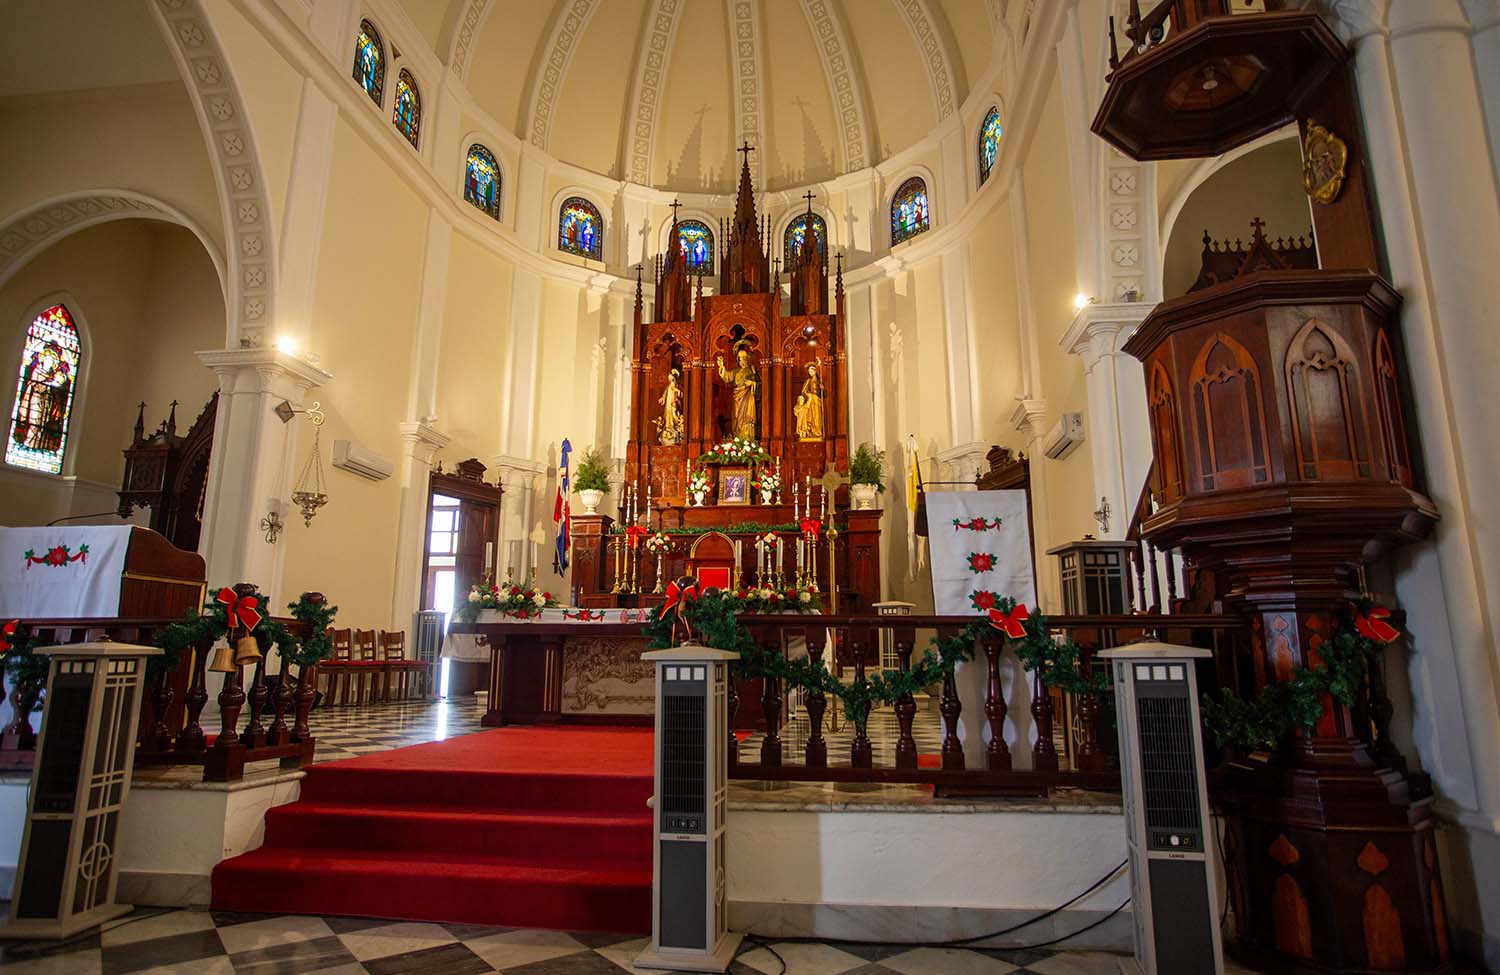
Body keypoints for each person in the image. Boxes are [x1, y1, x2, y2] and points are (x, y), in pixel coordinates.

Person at [716, 344, 758, 440]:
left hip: (748, 396)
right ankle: (737, 437)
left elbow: (759, 382)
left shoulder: (752, 370)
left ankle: (748, 439)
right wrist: (721, 366)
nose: (741, 360)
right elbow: (727, 377)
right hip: (737, 397)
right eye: (739, 358)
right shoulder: (736, 371)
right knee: (736, 416)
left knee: (747, 418)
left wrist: (752, 383)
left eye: (743, 357)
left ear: (748, 357)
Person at [797, 361, 824, 440]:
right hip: (810, 400)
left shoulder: (819, 381)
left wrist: (822, 389)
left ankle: (817, 432)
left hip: (816, 400)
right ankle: (810, 431)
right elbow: (803, 391)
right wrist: (807, 394)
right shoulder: (808, 381)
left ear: (815, 371)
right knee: (810, 416)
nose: (810, 373)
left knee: (816, 416)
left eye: (811, 371)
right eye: (809, 372)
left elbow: (824, 394)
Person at [657, 368, 683, 444]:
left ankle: (675, 426)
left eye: (672, 379)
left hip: (674, 403)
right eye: (670, 379)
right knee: (668, 414)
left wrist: (677, 391)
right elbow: (665, 393)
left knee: (674, 413)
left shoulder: (678, 386)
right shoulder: (669, 386)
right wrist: (663, 398)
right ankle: (668, 426)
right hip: (668, 403)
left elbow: (682, 394)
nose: (671, 380)